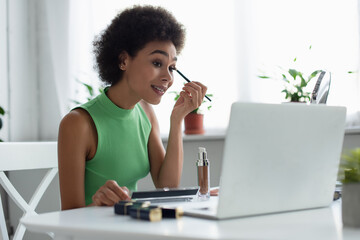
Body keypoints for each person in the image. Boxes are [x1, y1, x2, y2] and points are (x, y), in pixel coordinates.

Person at [57, 5, 208, 210]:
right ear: (123, 60)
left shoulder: (145, 112)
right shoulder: (78, 123)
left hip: (131, 226)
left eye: (171, 67)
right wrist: (98, 204)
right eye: (157, 62)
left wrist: (177, 119)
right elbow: (68, 215)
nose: (168, 77)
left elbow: (168, 186)